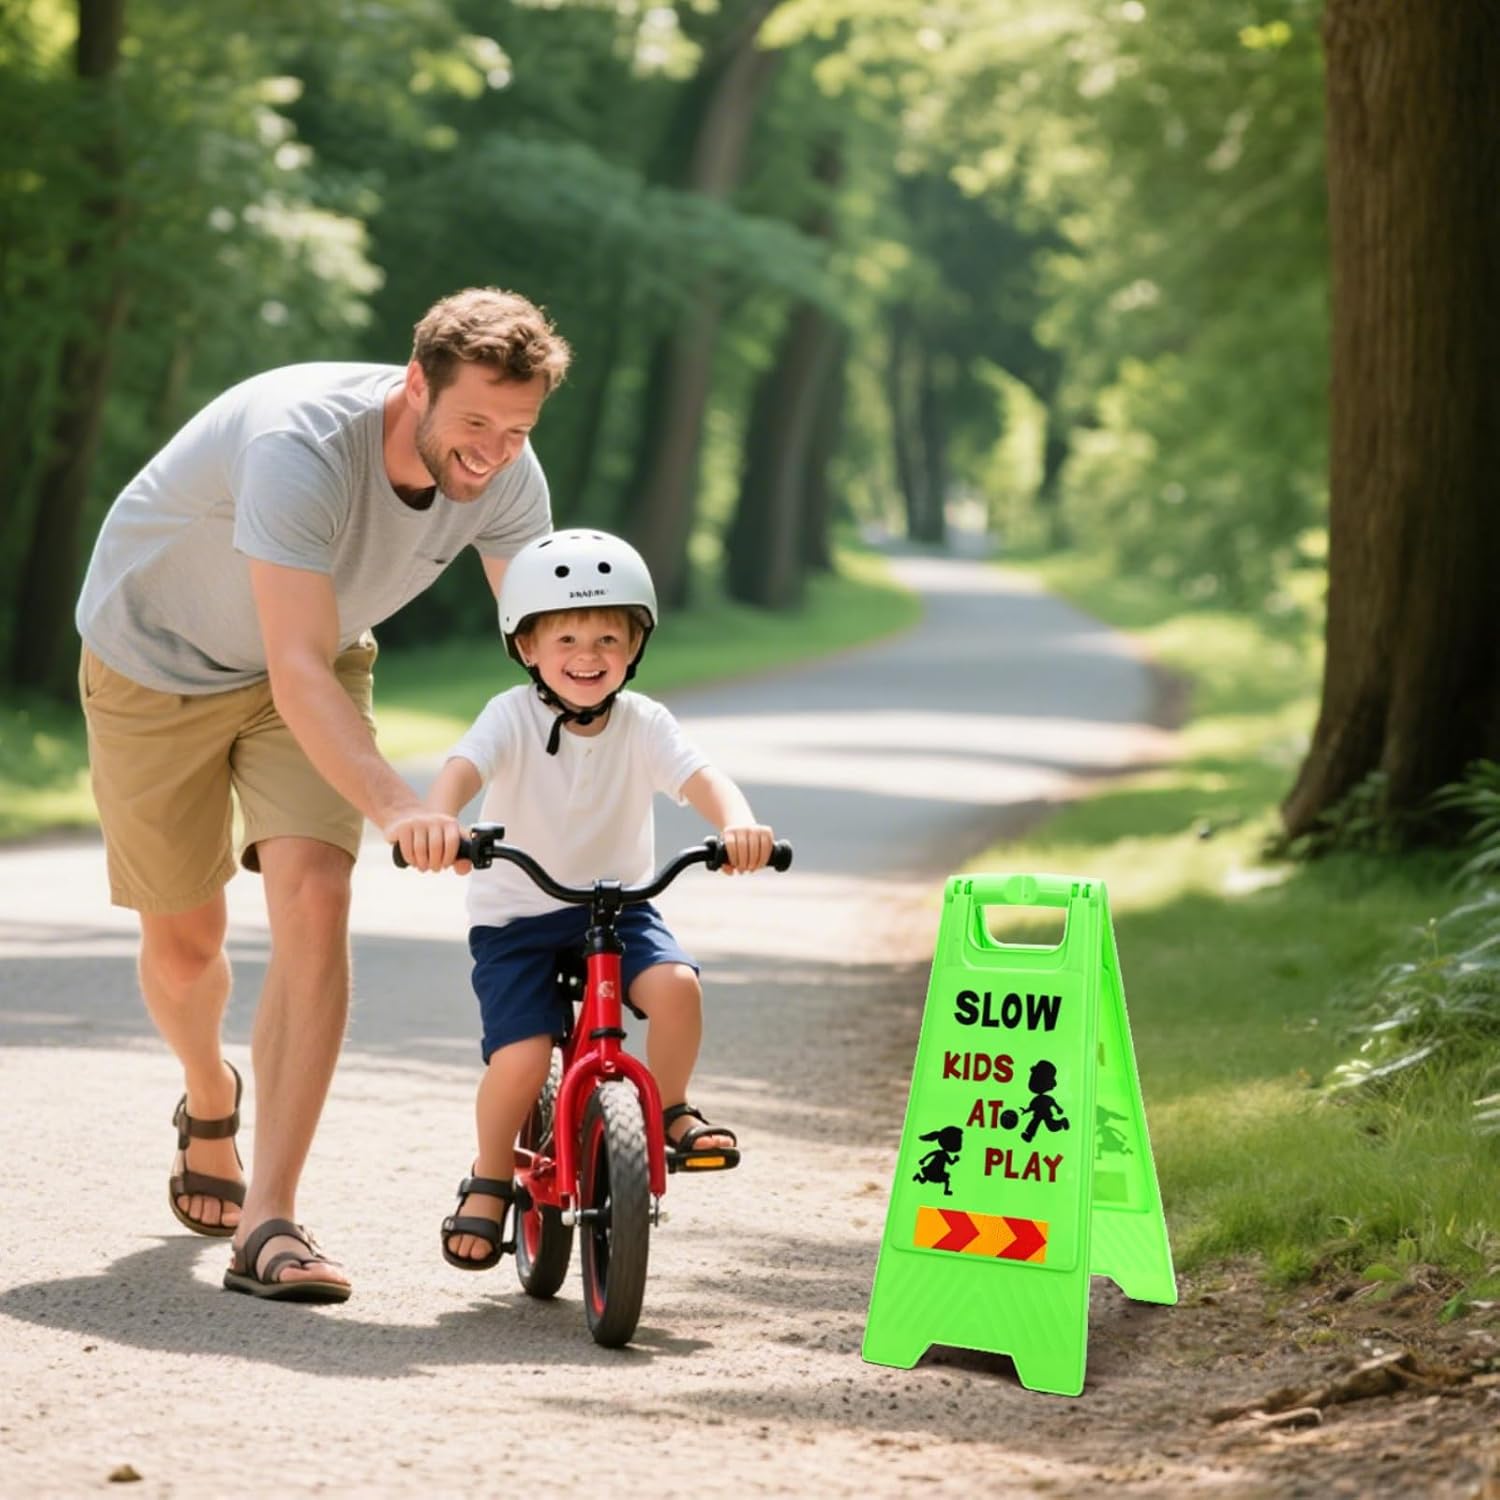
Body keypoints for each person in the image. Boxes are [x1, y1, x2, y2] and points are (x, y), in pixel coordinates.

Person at [74, 287, 571, 1302]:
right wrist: (401, 806)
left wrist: (600, 762)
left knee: (316, 898)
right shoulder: (303, 444)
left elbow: (555, 649)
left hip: (310, 661)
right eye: (473, 421)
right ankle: (210, 1095)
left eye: (517, 428)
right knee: (187, 945)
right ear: (416, 381)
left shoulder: (509, 474)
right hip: (154, 661)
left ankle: (272, 1222)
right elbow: (291, 662)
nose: (492, 450)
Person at [417, 529, 775, 1269]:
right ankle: (489, 1180)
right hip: (517, 915)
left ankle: (670, 1108)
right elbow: (462, 767)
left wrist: (736, 824)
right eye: (568, 637)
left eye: (609, 637)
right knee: (519, 1060)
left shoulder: (644, 722)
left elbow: (703, 777)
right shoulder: (510, 715)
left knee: (677, 988)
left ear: (635, 645)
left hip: (618, 906)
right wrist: (439, 821)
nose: (589, 654)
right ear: (526, 648)